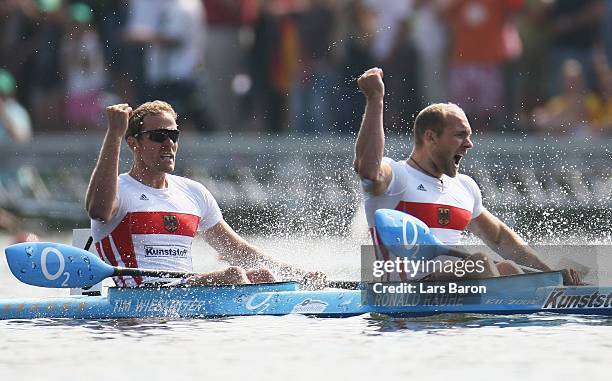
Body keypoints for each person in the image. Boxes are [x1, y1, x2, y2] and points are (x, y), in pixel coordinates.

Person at [353, 67, 579, 285]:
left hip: (454, 305)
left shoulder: (464, 186)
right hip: (404, 304)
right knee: (481, 262)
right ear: (430, 137)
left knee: (507, 267)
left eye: (469, 136)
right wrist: (375, 99)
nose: (469, 144)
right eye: (460, 135)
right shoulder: (396, 177)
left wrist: (552, 275)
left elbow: (501, 238)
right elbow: (367, 168)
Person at [86, 100, 325, 288]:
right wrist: (114, 134)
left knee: (263, 275)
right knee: (234, 275)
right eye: (159, 136)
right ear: (133, 143)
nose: (168, 143)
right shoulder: (119, 190)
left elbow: (238, 251)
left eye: (173, 136)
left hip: (183, 298)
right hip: (143, 297)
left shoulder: (193, 192)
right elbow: (98, 210)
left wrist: (299, 275)